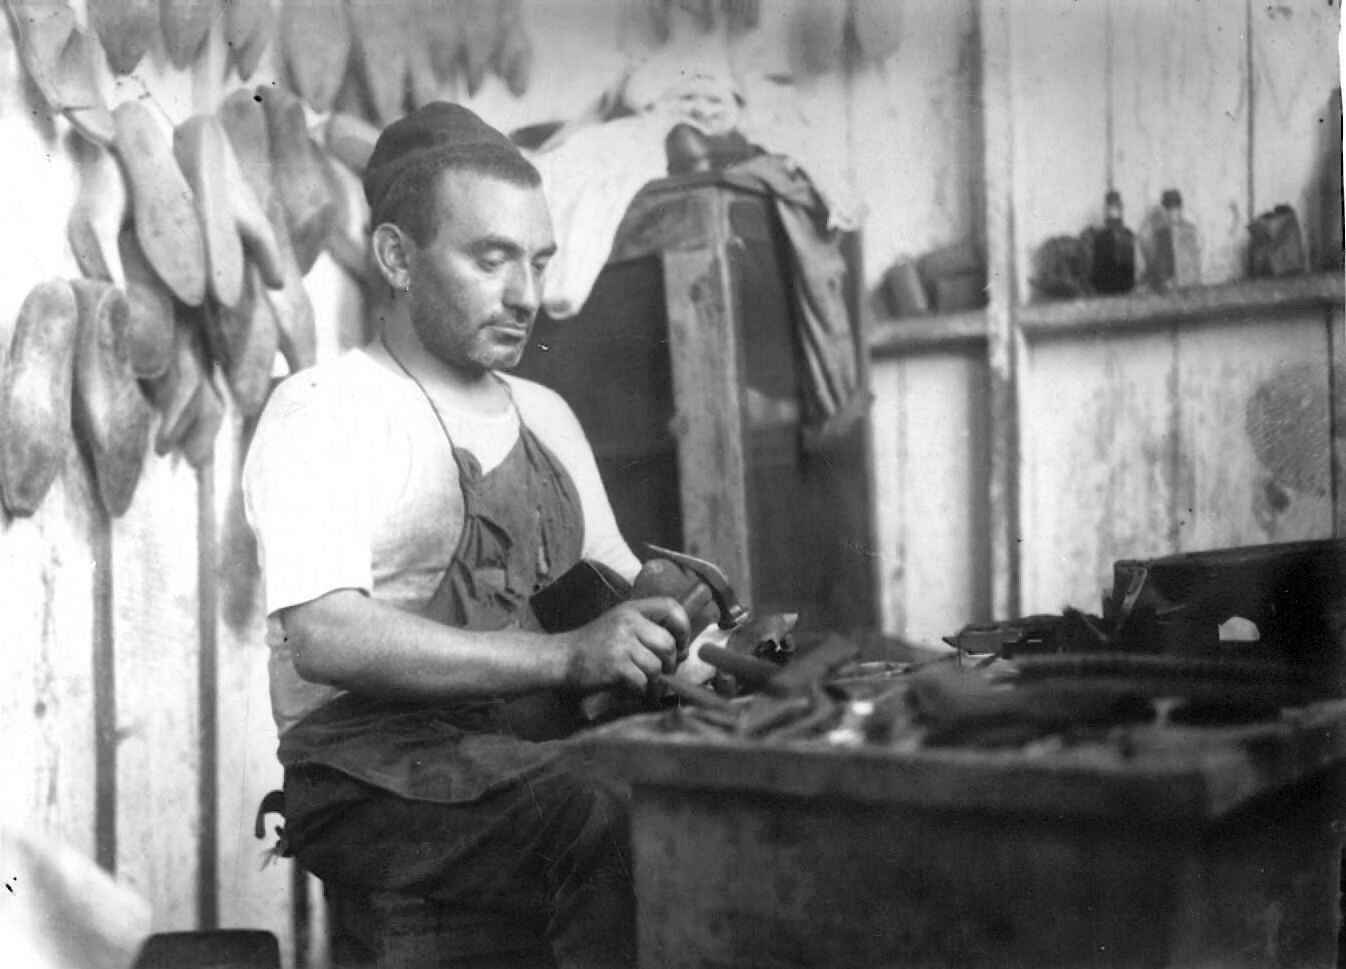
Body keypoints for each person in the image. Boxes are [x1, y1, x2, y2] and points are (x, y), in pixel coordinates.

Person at [242, 101, 692, 969]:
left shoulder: (546, 415)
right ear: (397, 258)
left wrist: (715, 657)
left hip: (517, 754)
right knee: (605, 806)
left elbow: (615, 584)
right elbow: (328, 635)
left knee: (704, 786)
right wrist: (566, 659)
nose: (525, 294)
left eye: (537, 261)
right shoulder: (326, 408)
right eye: (491, 259)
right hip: (371, 774)